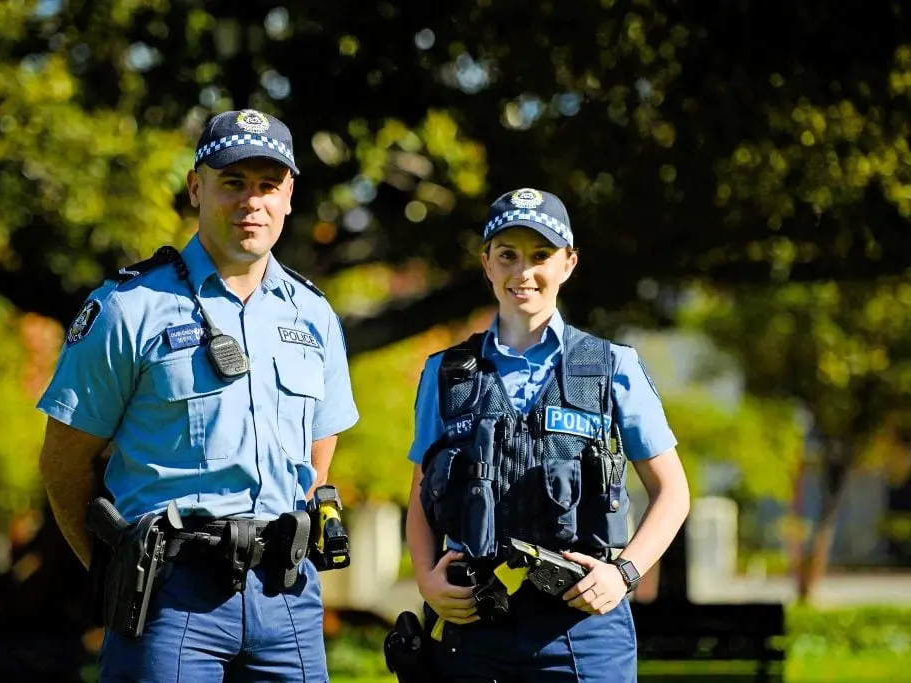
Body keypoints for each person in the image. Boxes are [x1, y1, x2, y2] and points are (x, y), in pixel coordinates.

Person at [37, 108, 359, 683]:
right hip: (168, 596)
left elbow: (317, 456)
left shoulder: (314, 315)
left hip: (287, 597)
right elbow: (64, 462)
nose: (251, 201)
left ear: (289, 196)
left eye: (268, 185)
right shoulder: (127, 309)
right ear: (195, 187)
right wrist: (116, 569)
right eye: (232, 182)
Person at [404, 188, 690, 682]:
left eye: (540, 256)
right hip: (473, 621)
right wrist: (428, 581)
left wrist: (624, 574)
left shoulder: (611, 366)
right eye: (508, 256)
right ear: (487, 264)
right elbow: (420, 495)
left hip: (584, 626)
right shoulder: (446, 372)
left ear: (568, 263)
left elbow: (673, 492)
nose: (523, 273)